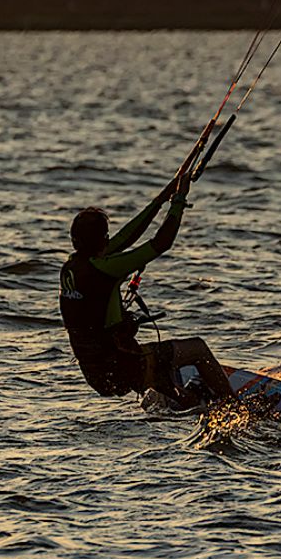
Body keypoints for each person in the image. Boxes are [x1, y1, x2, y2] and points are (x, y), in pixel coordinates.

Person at [58, 169, 234, 407]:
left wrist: (162, 198)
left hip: (97, 373)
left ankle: (185, 400)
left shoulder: (71, 267)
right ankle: (236, 407)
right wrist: (179, 201)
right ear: (102, 241)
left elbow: (124, 239)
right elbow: (161, 243)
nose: (111, 241)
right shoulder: (106, 269)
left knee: (168, 378)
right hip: (121, 368)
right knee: (197, 349)